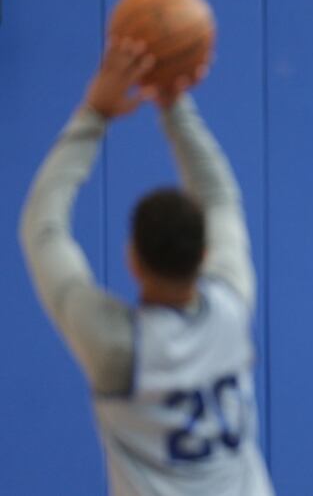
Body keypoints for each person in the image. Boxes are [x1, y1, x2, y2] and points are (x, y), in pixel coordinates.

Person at [19, 39, 274, 496]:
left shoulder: (116, 347)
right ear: (203, 255)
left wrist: (94, 112)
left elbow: (43, 230)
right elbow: (218, 194)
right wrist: (173, 103)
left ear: (131, 258)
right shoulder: (232, 301)